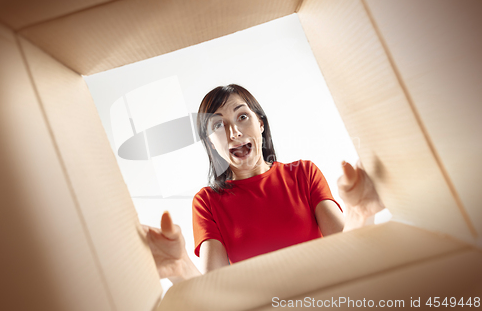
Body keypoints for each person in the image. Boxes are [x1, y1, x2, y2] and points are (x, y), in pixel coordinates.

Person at [142, 84, 385, 284]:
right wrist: (180, 267)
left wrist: (359, 214)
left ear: (260, 123)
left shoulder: (304, 174)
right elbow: (213, 292)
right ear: (211, 144)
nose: (234, 132)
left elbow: (348, 251)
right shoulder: (207, 202)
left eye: (242, 116)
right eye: (218, 125)